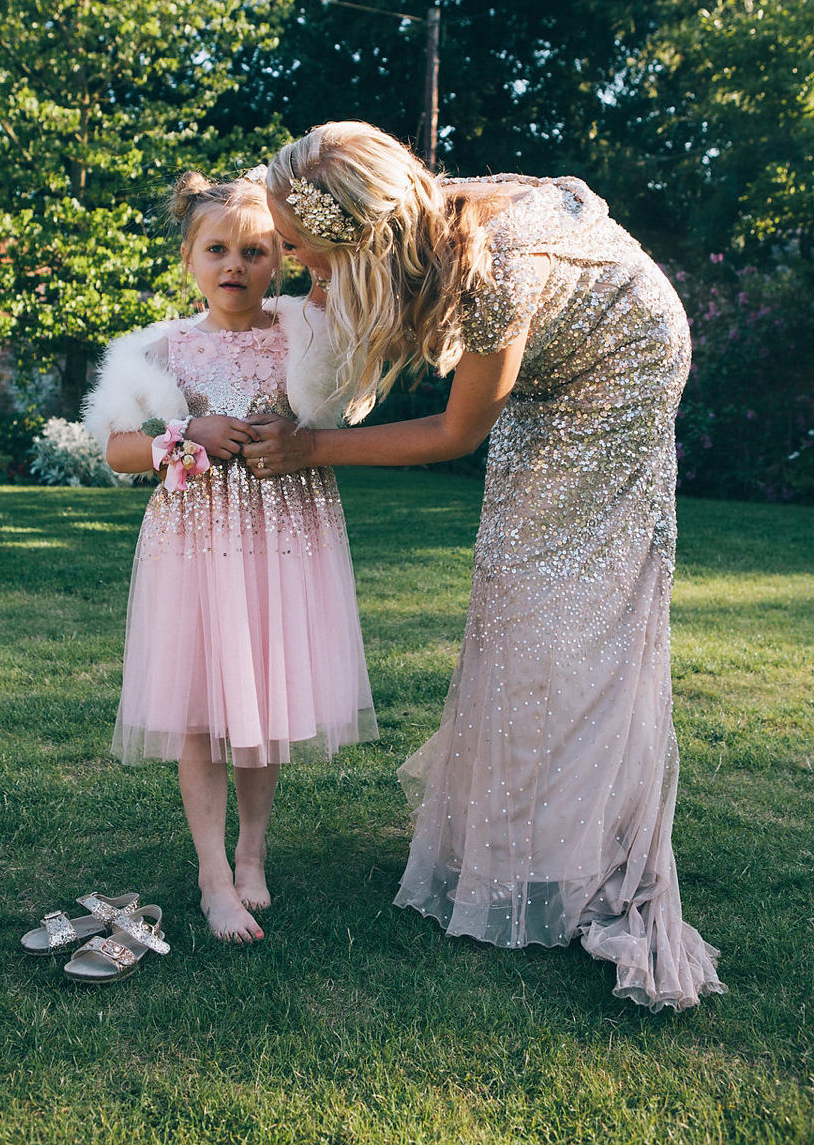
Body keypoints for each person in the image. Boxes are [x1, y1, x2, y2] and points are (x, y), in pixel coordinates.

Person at [243, 120, 725, 1011]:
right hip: (555, 369)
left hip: (623, 369)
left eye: (308, 253)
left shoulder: (492, 263)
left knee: (561, 601)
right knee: (511, 581)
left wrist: (311, 448)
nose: (306, 271)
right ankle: (519, 842)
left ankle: (582, 858)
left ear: (359, 235)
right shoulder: (421, 227)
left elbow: (458, 431)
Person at [82, 170, 377, 944]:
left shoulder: (307, 336)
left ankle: (252, 854)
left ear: (280, 257)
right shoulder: (160, 349)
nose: (234, 266)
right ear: (189, 260)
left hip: (285, 533)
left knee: (261, 698)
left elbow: (345, 386)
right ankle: (213, 874)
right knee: (199, 704)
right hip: (198, 538)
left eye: (253, 250)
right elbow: (116, 448)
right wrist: (185, 435)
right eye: (217, 250)